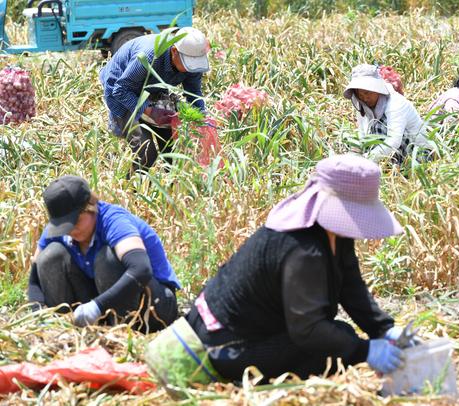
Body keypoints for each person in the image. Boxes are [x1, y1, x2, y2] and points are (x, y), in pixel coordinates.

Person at [183, 155, 410, 381]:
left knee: (341, 337)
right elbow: (308, 329)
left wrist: (383, 328)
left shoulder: (333, 233)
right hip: (224, 345)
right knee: (334, 348)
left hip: (241, 333)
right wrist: (365, 351)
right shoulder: (304, 250)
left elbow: (351, 286)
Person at [27, 175, 180, 333]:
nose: (70, 231)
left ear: (90, 207)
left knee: (107, 258)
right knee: (51, 255)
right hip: (104, 303)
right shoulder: (61, 230)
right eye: (63, 226)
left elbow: (141, 269)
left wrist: (96, 306)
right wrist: (38, 315)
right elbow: (34, 278)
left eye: (74, 223)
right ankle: (64, 330)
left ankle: (122, 332)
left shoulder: (114, 222)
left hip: (156, 306)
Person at [99, 27, 211, 173]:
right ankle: (130, 187)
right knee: (146, 151)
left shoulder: (193, 64)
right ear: (174, 51)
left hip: (152, 88)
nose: (191, 69)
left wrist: (202, 116)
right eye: (188, 63)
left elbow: (193, 92)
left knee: (171, 147)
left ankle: (171, 187)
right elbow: (121, 90)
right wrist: (149, 111)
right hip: (120, 89)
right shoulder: (149, 57)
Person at [344, 64, 436, 165]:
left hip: (417, 154)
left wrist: (366, 160)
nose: (365, 99)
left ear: (376, 88)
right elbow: (363, 134)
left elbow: (394, 140)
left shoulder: (395, 103)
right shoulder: (362, 104)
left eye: (367, 93)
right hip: (388, 153)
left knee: (380, 126)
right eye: (360, 95)